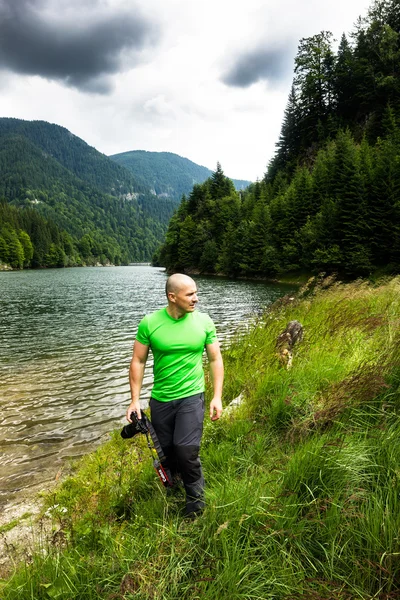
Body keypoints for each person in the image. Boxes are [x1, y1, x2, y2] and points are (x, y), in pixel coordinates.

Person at [125, 273, 224, 518]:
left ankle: (196, 505)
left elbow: (215, 358)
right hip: (161, 399)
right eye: (190, 294)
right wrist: (134, 400)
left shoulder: (204, 322)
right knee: (167, 451)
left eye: (196, 293)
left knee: (186, 450)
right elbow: (138, 361)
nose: (196, 299)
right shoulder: (150, 323)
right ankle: (176, 483)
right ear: (172, 297)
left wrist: (217, 396)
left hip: (192, 396)